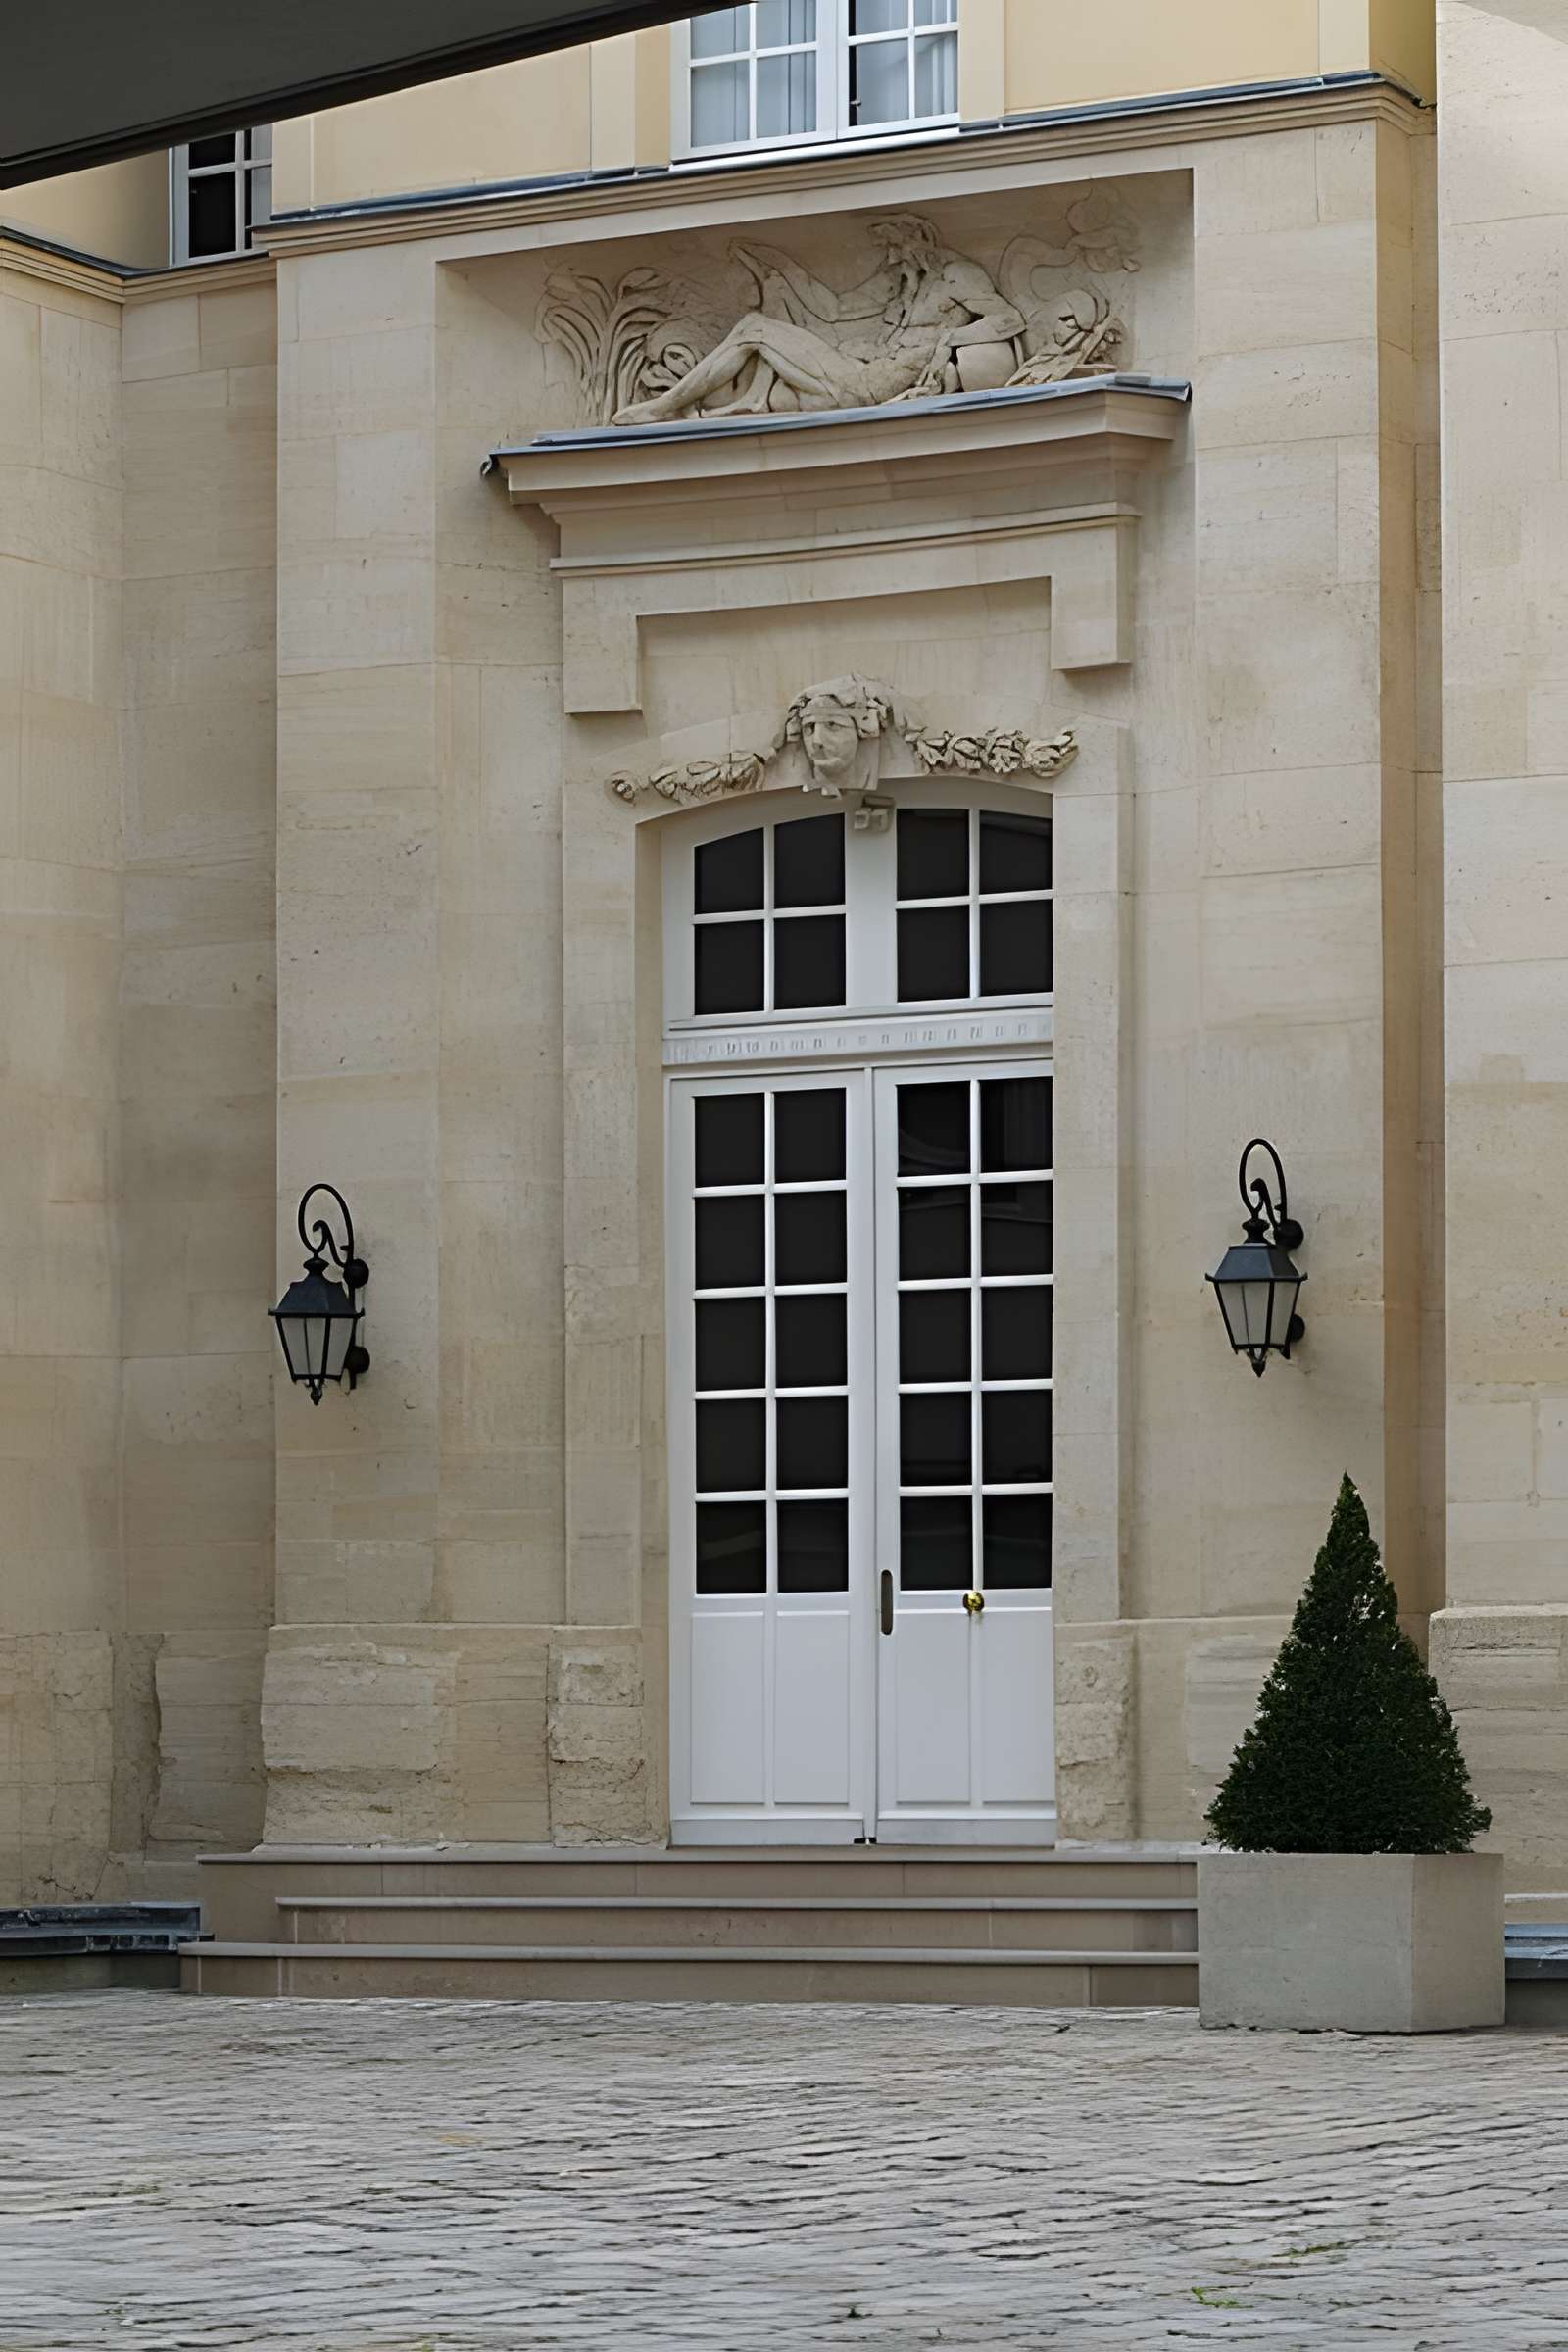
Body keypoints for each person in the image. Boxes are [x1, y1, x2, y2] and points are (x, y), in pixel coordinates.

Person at [612, 215, 1025, 423]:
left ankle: (664, 406)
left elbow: (1009, 320)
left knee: (753, 329)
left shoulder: (957, 276)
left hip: (865, 387)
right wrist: (780, 267)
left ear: (918, 241)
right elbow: (834, 309)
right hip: (857, 373)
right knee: (765, 319)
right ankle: (724, 404)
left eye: (895, 248)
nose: (891, 258)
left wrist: (951, 338)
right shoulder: (905, 285)